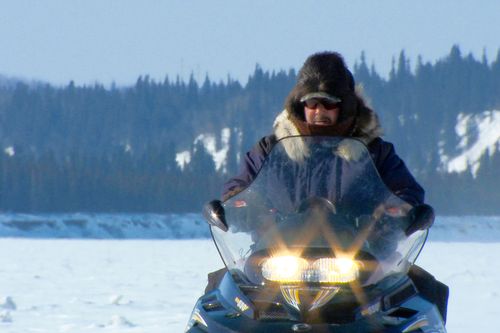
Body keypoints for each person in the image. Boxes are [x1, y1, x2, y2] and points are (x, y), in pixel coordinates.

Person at [207, 51, 448, 322]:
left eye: (328, 104)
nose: (319, 111)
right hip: (277, 257)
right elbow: (240, 188)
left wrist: (394, 214)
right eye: (312, 103)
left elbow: (406, 193)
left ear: (344, 106)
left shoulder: (375, 151)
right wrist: (242, 207)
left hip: (359, 260)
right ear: (300, 105)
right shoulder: (270, 149)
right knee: (219, 296)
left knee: (422, 294)